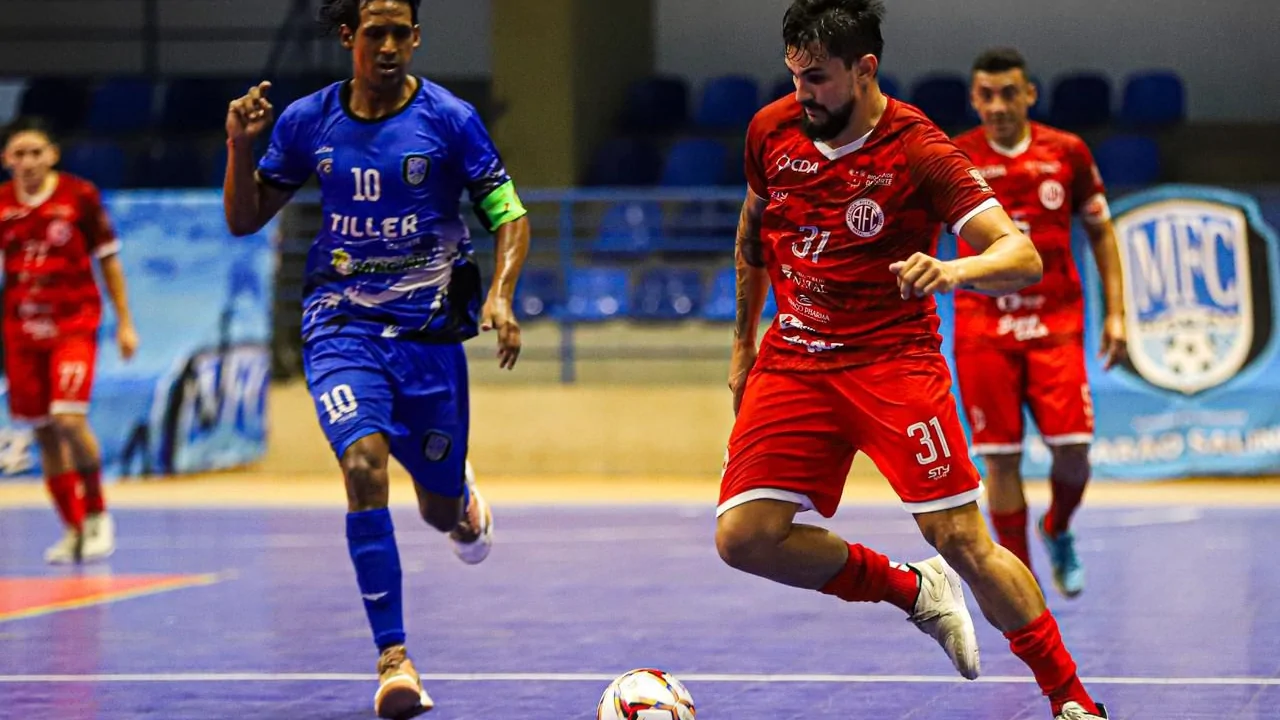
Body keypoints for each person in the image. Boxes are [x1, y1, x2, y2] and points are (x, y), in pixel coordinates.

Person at [714, 2, 1108, 718]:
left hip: (892, 362)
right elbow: (752, 234)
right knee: (744, 539)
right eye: (795, 76)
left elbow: (1018, 254)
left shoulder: (918, 148)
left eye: (819, 80)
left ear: (866, 70)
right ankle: (912, 591)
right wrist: (743, 348)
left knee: (961, 537)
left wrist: (954, 272)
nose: (803, 95)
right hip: (795, 359)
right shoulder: (771, 130)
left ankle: (1070, 698)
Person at [222, 0, 530, 716]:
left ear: (416, 38)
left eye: (401, 34)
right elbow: (243, 219)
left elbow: (508, 213)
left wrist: (504, 296)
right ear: (346, 38)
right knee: (362, 464)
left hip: (429, 341)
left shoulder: (450, 120)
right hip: (341, 329)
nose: (388, 46)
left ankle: (461, 507)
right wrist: (240, 145)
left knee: (437, 505)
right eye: (374, 34)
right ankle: (395, 659)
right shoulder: (307, 121)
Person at [952, 47, 1126, 599]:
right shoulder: (955, 156)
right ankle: (1023, 584)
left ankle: (1057, 526)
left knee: (1073, 452)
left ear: (1030, 94)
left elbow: (1100, 230)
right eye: (986, 94)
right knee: (1000, 460)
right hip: (983, 324)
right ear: (974, 99)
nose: (998, 105)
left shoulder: (1066, 152)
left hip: (1055, 321)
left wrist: (1117, 314)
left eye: (1009, 93)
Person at [0, 116, 138, 565]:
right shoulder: (2, 204)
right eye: (19, 154)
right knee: (43, 429)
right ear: (7, 160)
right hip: (21, 330)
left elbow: (109, 261)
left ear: (52, 155)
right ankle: (73, 528)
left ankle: (98, 513)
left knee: (68, 419)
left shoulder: (79, 196)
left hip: (73, 325)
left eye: (36, 152)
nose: (28, 162)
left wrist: (125, 322)